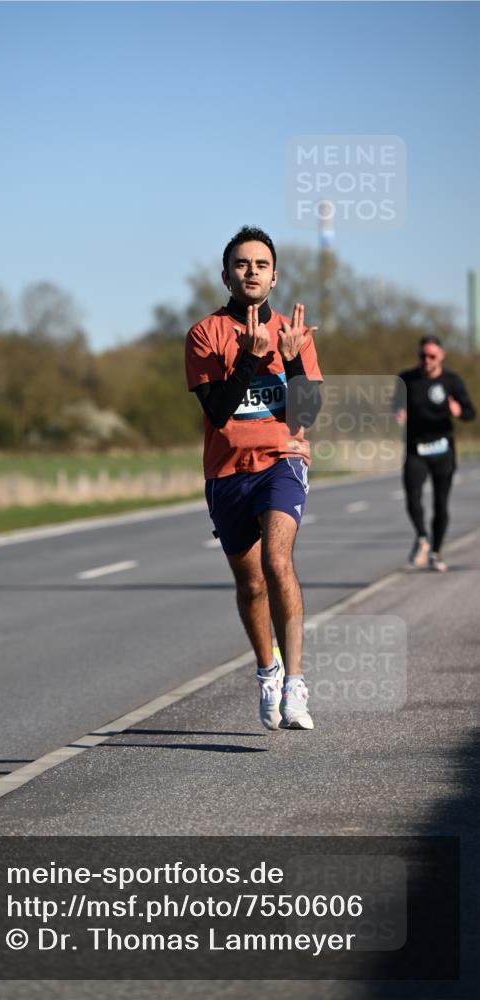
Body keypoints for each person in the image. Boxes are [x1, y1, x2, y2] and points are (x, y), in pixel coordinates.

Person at [185, 226, 323, 731]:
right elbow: (219, 411)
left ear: (274, 275)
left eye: (261, 264)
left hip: (283, 460)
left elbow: (305, 414)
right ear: (226, 275)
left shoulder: (295, 332)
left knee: (276, 559)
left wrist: (289, 357)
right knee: (250, 582)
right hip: (226, 472)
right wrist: (246, 357)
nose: (252, 272)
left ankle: (296, 683)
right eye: (242, 264)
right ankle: (268, 671)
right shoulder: (204, 334)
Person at [395, 335, 476, 572]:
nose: (427, 360)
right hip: (416, 449)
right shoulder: (407, 379)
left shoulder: (452, 381)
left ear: (441, 356)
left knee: (441, 505)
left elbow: (471, 413)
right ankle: (422, 536)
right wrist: (399, 412)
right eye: (423, 355)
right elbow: (394, 404)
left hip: (443, 450)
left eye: (431, 356)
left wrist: (458, 410)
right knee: (412, 498)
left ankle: (437, 553)